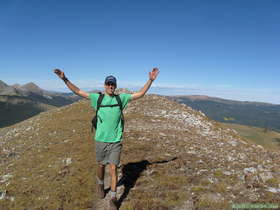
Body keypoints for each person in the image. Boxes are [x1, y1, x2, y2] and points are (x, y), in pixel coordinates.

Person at [54, 68, 159, 210]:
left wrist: (150, 80)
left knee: (113, 168)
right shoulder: (97, 98)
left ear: (115, 86)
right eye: (108, 84)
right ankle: (100, 184)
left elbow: (140, 94)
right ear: (104, 85)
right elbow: (78, 91)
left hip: (115, 141)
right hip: (100, 140)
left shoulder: (121, 98)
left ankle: (113, 198)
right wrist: (64, 78)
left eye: (113, 84)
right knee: (101, 165)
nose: (111, 86)